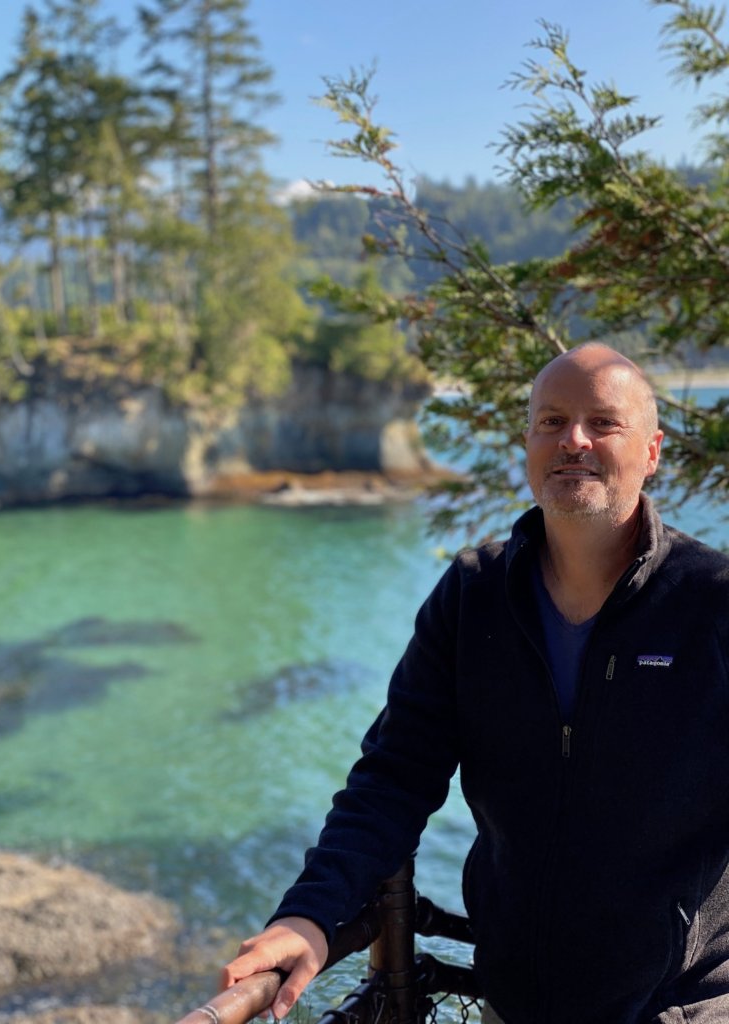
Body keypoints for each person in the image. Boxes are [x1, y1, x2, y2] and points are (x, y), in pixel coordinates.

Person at [185, 343, 729, 1024]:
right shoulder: (474, 597)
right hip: (517, 1004)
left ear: (651, 452)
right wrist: (310, 914)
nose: (574, 441)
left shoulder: (710, 601)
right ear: (526, 442)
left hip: (679, 1010)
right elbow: (394, 776)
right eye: (551, 421)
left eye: (603, 423)